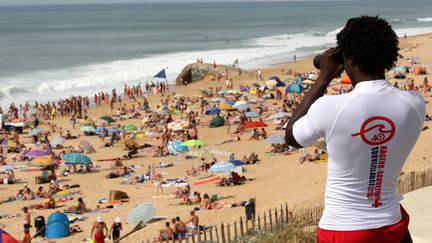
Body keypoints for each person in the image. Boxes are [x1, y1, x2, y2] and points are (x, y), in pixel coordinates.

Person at [285, 16, 425, 243]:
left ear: (347, 59)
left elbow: (291, 136)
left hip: (343, 230)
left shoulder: (329, 107)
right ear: (390, 61)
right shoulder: (415, 103)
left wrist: (324, 77)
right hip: (392, 225)